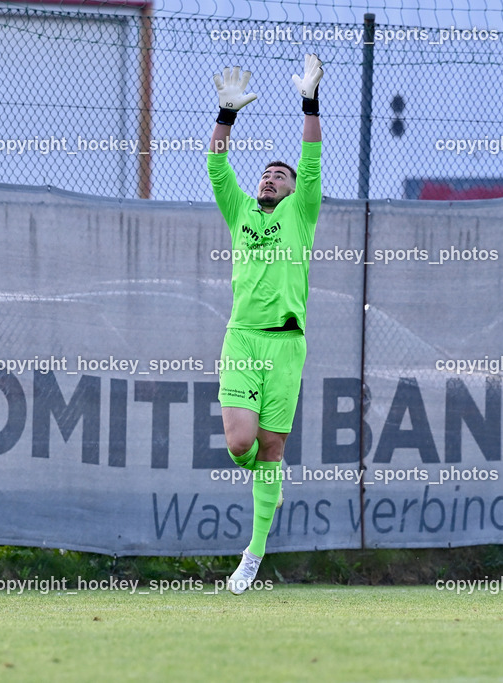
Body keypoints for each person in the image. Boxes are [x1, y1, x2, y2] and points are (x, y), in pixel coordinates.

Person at [207, 57, 323, 594]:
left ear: (295, 191)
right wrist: (226, 116)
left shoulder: (300, 214)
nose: (271, 176)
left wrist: (309, 101)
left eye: (281, 175)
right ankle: (267, 485)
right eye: (267, 172)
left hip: (287, 345)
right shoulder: (242, 214)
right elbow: (216, 168)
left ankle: (253, 556)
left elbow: (312, 157)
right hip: (243, 339)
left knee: (272, 450)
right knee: (240, 445)